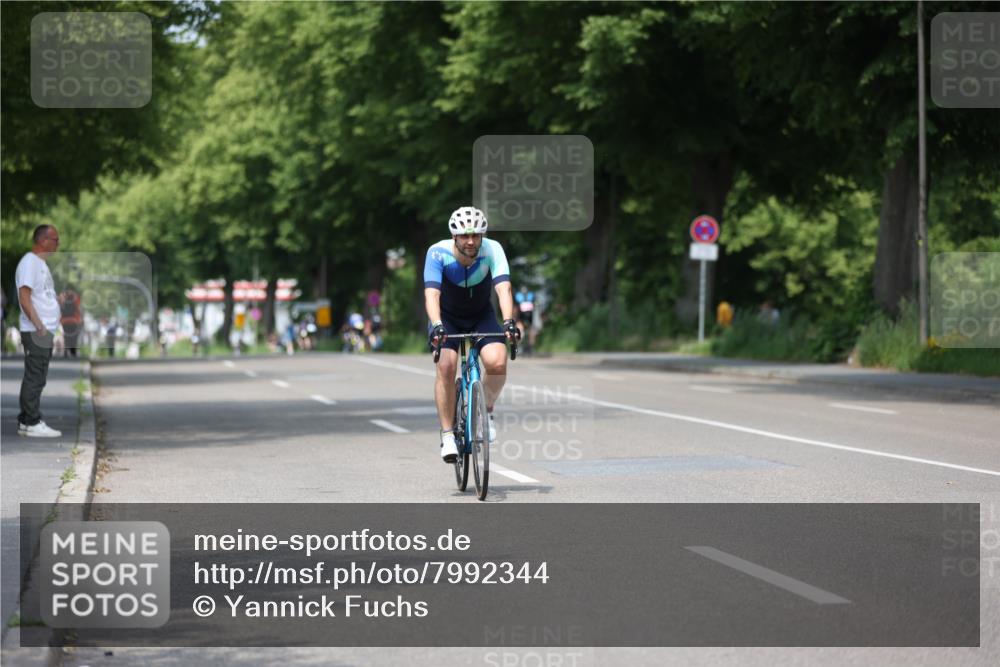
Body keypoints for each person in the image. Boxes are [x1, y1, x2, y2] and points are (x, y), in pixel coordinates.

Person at [424, 206, 518, 463]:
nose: (470, 241)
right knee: (446, 365)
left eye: (476, 235)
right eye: (465, 236)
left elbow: (503, 288)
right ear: (454, 236)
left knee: (498, 362)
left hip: (480, 316)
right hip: (447, 319)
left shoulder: (492, 249)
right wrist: (437, 324)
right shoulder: (437, 252)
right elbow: (432, 294)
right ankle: (447, 435)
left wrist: (509, 322)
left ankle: (485, 411)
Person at [15, 225, 63, 438]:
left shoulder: (40, 264)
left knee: (38, 375)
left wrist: (56, 301)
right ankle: (31, 420)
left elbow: (39, 295)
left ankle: (27, 420)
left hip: (42, 330)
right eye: (56, 240)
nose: (57, 245)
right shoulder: (30, 262)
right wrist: (39, 326)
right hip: (37, 331)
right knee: (35, 375)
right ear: (43, 240)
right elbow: (24, 297)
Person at [58, 286, 82, 357]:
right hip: (74, 320)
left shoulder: (62, 296)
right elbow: (78, 308)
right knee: (74, 336)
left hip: (64, 321)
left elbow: (59, 306)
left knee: (66, 336)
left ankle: (66, 351)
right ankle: (73, 351)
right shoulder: (76, 297)